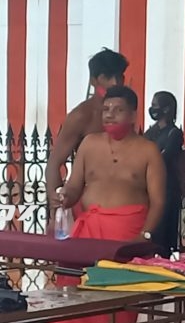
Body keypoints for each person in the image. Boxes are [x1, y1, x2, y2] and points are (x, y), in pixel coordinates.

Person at [37, 86, 166, 323]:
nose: (110, 115)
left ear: (133, 114)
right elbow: (74, 187)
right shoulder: (90, 144)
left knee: (118, 316)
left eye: (117, 110)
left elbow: (158, 200)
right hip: (86, 236)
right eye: (106, 109)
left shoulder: (148, 150)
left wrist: (145, 237)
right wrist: (63, 198)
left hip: (125, 240)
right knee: (70, 308)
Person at [45, 48, 129, 224]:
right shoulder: (82, 116)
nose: (115, 82)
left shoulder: (127, 113)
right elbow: (53, 164)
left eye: (119, 76)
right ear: (93, 80)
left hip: (123, 202)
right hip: (86, 203)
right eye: (108, 77)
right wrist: (57, 207)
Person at [143, 91, 184, 256]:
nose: (152, 109)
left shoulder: (174, 133)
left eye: (155, 105)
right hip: (149, 185)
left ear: (166, 109)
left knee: (163, 230)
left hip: (167, 186)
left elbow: (164, 158)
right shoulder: (151, 132)